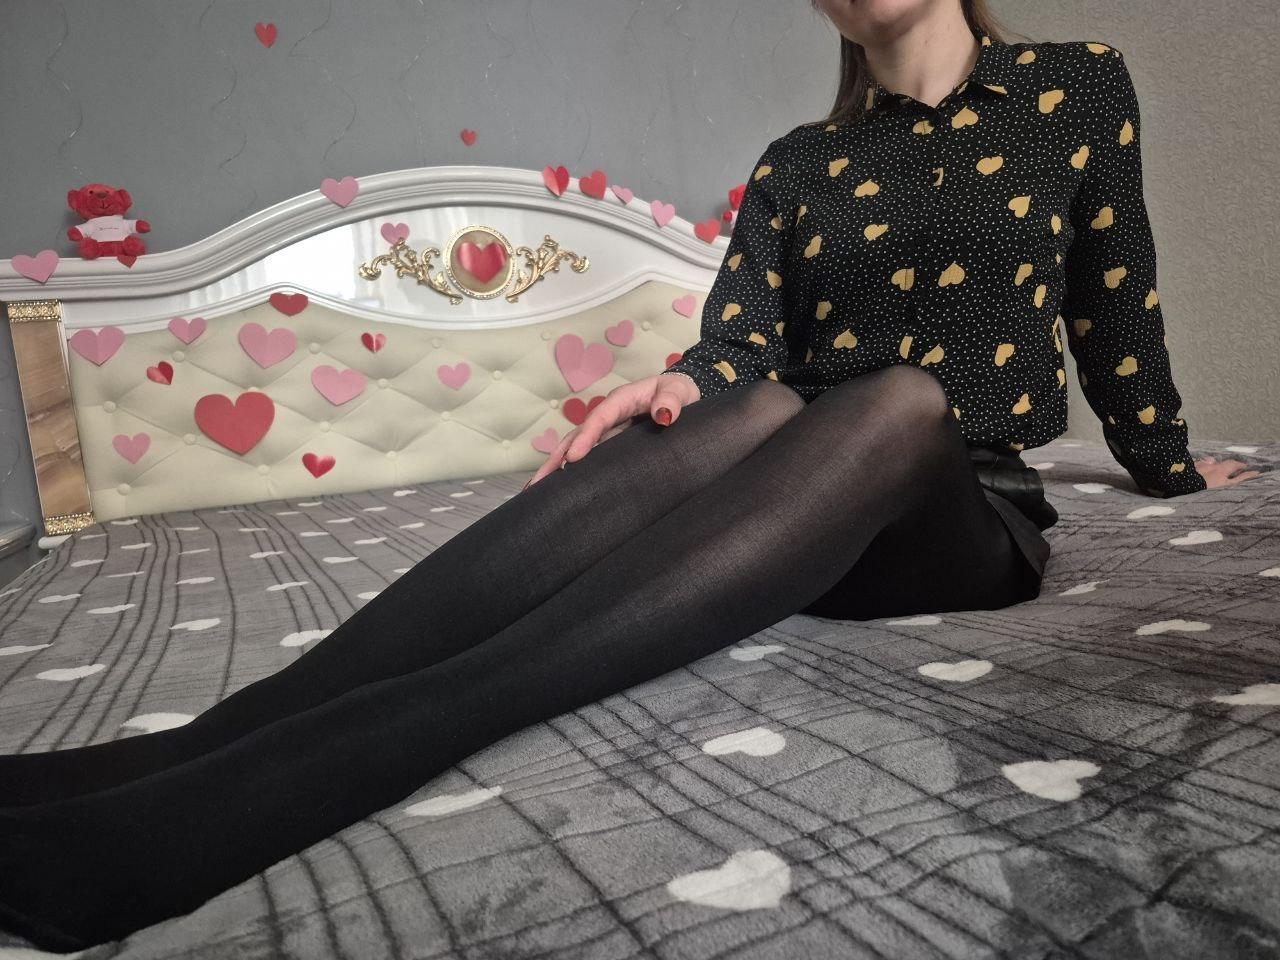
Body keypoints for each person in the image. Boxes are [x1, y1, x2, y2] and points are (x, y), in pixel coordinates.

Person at [0, 0, 1261, 950]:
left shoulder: (1073, 88)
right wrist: (674, 390)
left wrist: (1162, 464)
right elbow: (740, 349)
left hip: (960, 513)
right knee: (761, 400)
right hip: (793, 523)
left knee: (897, 397)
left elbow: (1114, 297)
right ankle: (210, 741)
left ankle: (251, 797)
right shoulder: (797, 163)